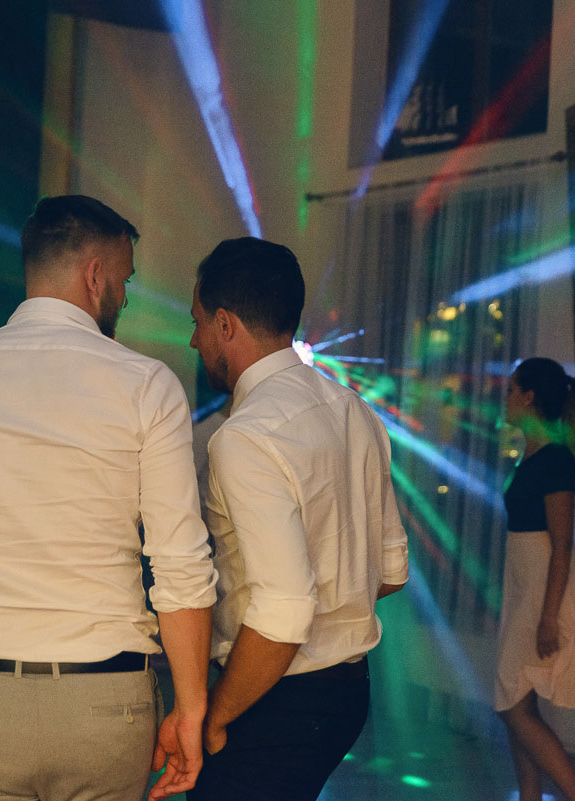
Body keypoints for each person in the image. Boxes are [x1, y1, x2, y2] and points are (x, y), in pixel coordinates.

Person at [0, 195, 216, 801]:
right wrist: (191, 707)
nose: (125, 297)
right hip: (104, 705)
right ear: (95, 276)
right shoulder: (146, 385)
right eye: (124, 280)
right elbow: (180, 567)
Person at [184, 237, 410, 801]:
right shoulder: (355, 411)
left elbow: (285, 613)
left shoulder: (244, 437)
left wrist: (216, 714)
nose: (193, 340)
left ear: (225, 324)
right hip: (348, 692)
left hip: (275, 698)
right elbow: (389, 572)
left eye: (197, 323)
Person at [496, 357, 575, 801]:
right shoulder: (535, 455)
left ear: (528, 397)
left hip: (545, 591)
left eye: (510, 390)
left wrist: (549, 616)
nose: (505, 399)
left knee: (513, 705)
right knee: (516, 699)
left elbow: (562, 543)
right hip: (527, 587)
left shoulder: (555, 458)